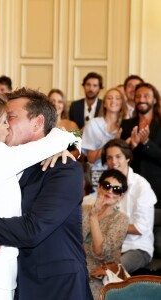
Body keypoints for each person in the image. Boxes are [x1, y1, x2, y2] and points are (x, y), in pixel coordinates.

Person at [0, 88, 92, 300]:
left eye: (10, 117)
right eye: (3, 118)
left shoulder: (62, 167)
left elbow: (33, 228)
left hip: (55, 288)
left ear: (37, 123)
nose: (6, 124)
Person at [101, 139, 156, 273]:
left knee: (108, 272)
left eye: (118, 156)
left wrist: (111, 225)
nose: (113, 162)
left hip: (137, 248)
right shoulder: (106, 184)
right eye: (109, 158)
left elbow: (140, 228)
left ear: (127, 158)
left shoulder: (141, 186)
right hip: (109, 247)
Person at [120, 82, 161, 258]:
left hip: (158, 189)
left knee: (158, 247)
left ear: (154, 100)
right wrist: (132, 145)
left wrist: (146, 144)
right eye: (138, 96)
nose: (141, 100)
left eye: (146, 96)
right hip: (131, 190)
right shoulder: (127, 124)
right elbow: (120, 155)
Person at [83, 169, 128, 300]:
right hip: (73, 267)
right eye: (107, 186)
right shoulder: (82, 210)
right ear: (98, 187)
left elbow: (100, 252)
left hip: (97, 277)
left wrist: (93, 217)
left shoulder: (120, 219)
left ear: (121, 196)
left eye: (116, 190)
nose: (110, 191)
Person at [82, 87, 127, 187]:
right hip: (97, 174)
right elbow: (91, 158)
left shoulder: (126, 125)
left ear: (122, 104)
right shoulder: (93, 124)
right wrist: (112, 142)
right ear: (104, 103)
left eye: (117, 98)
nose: (113, 101)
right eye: (109, 98)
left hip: (120, 175)